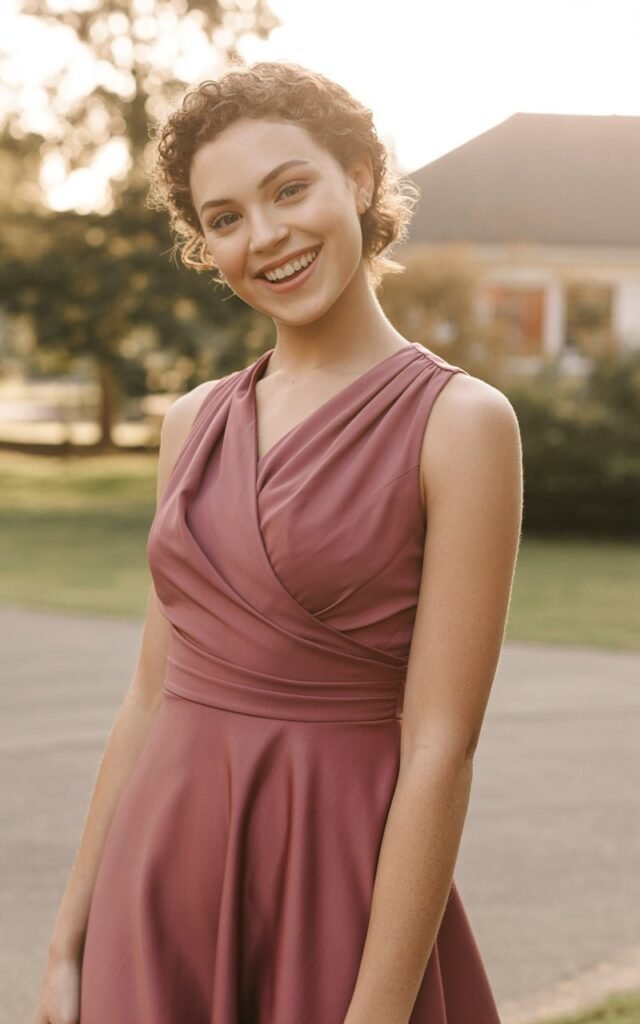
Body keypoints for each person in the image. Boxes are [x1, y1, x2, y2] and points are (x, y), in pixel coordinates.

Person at [34, 60, 522, 1024]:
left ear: (361, 179)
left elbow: (439, 749)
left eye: (290, 190)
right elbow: (148, 698)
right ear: (205, 244)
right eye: (225, 218)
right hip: (157, 884)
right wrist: (68, 944)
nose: (265, 237)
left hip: (333, 891)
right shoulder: (192, 421)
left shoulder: (462, 424)